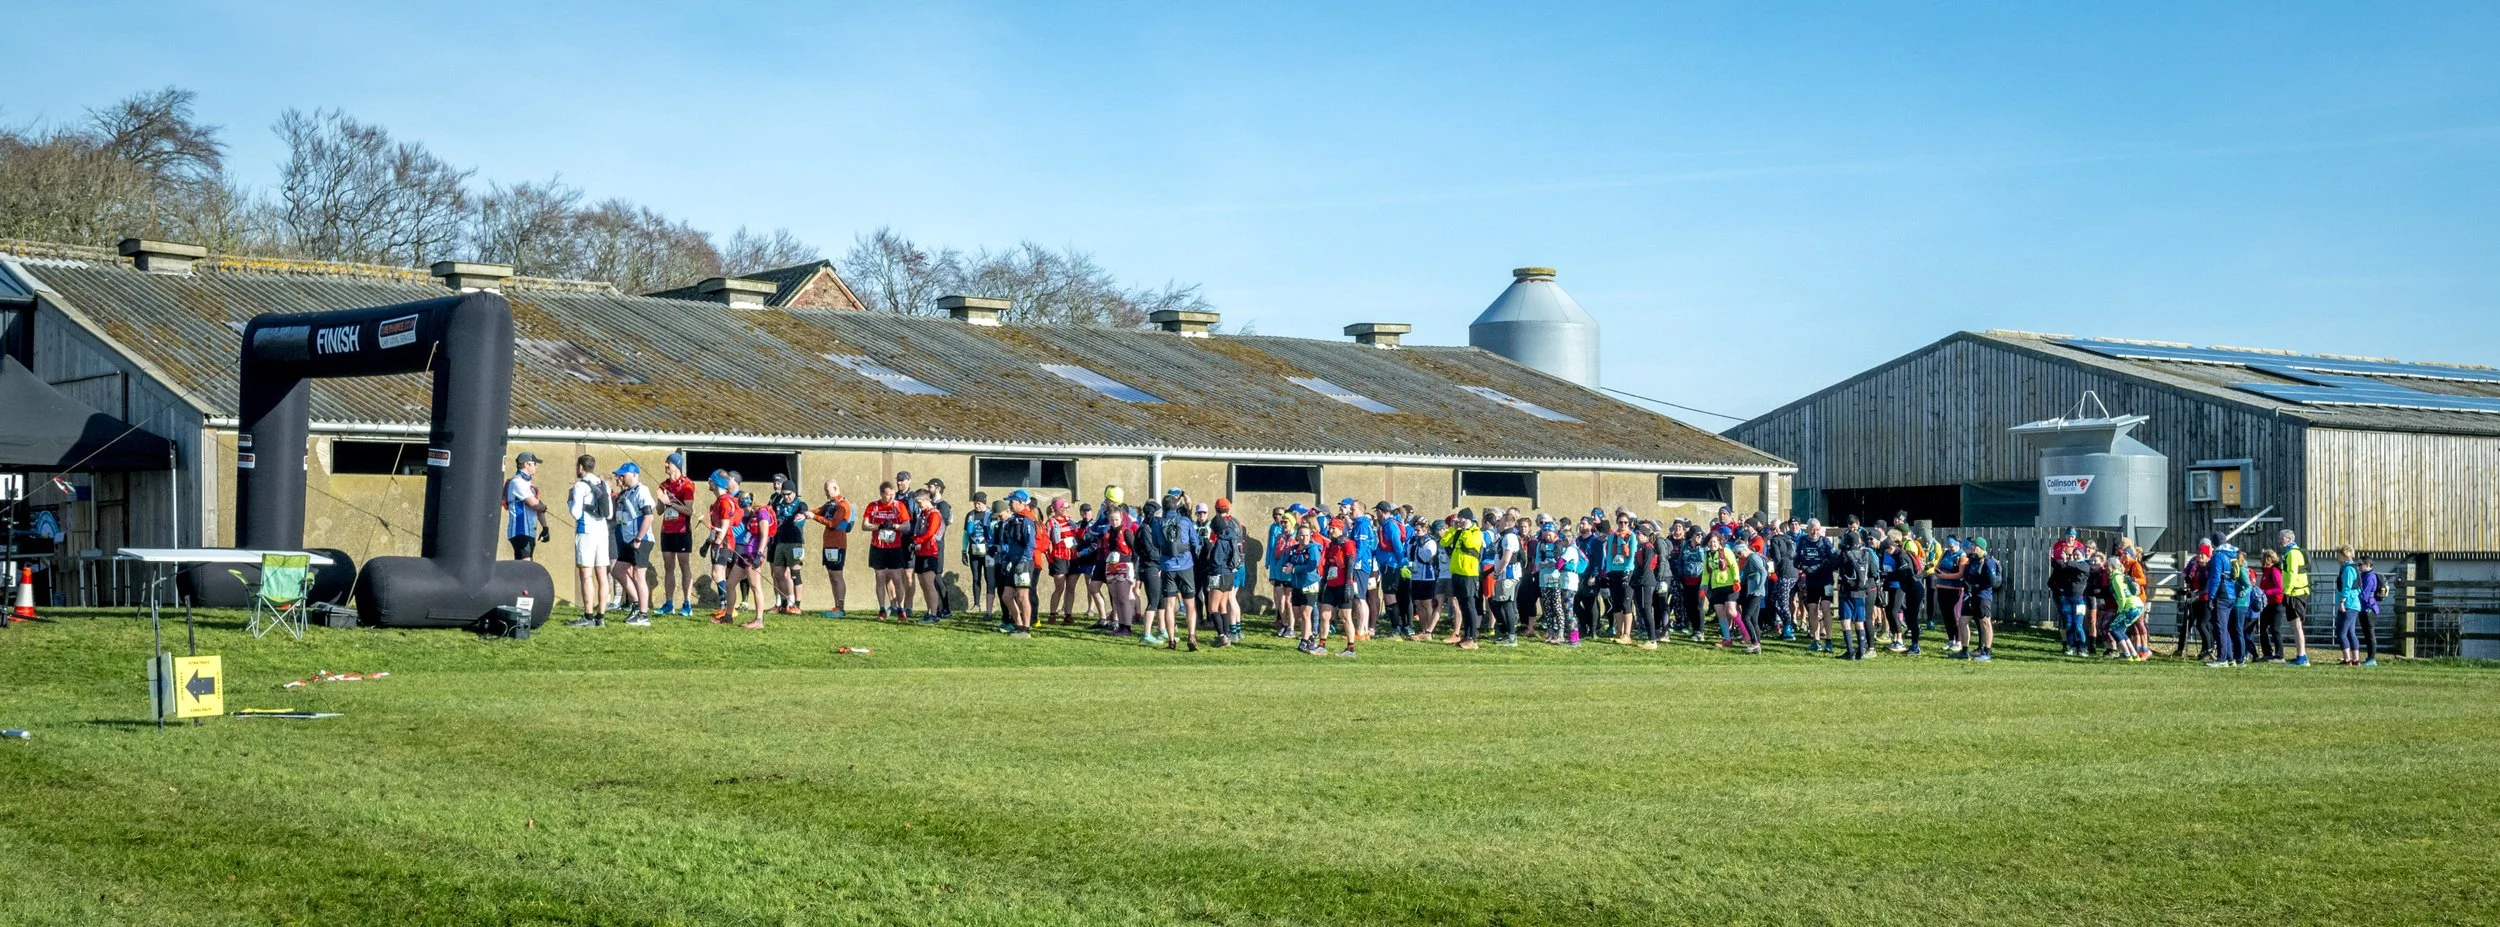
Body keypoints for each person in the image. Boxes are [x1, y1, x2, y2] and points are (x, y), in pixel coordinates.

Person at [565, 454, 614, 627]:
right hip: (602, 531)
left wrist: (569, 500)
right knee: (602, 575)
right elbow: (609, 514)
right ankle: (601, 617)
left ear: (580, 467)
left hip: (586, 531)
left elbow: (576, 514)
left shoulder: (580, 486)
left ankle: (588, 616)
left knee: (586, 575)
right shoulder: (604, 485)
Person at [609, 462, 656, 626]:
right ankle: (636, 603)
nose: (620, 477)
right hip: (629, 539)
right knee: (618, 570)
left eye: (623, 474)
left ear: (634, 475)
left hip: (640, 540)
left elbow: (649, 516)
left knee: (639, 575)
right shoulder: (627, 492)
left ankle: (643, 614)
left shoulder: (642, 491)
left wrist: (638, 538)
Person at [860, 482, 912, 621]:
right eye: (888, 495)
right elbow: (864, 525)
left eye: (892, 495)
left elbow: (907, 526)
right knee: (880, 577)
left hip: (894, 547)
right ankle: (882, 609)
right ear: (881, 493)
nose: (890, 497)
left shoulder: (898, 506)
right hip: (878, 547)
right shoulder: (873, 506)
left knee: (897, 578)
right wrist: (878, 526)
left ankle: (900, 608)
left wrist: (894, 525)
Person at [655, 453, 698, 616]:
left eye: (669, 463)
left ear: (676, 465)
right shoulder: (664, 485)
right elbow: (659, 511)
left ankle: (687, 604)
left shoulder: (687, 484)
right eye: (666, 463)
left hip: (682, 531)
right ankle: (669, 603)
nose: (666, 465)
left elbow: (688, 510)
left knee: (684, 565)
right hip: (667, 531)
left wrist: (670, 502)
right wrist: (660, 500)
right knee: (668, 566)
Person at [992, 493, 1039, 637]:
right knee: (1006, 596)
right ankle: (1017, 623)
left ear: (1020, 502)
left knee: (1022, 595)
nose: (1010, 505)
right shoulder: (1013, 520)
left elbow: (1030, 544)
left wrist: (1023, 561)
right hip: (1012, 561)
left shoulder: (1027, 520)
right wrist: (1007, 560)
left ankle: (1025, 629)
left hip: (1024, 563)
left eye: (1012, 502)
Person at [766, 475, 809, 616]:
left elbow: (802, 514)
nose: (786, 497)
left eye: (788, 495)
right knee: (778, 573)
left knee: (795, 573)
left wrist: (801, 515)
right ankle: (783, 604)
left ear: (794, 493)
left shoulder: (800, 504)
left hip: (795, 542)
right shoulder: (778, 502)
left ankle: (797, 605)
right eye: (784, 495)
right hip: (780, 542)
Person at [1205, 498, 1245, 646]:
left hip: (1219, 574)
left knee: (1212, 608)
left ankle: (1221, 635)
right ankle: (1227, 634)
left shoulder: (1220, 542)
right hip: (1230, 574)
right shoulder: (1231, 537)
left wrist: (1209, 556)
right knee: (1223, 606)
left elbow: (1216, 561)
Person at [1443, 510, 1486, 648]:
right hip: (1457, 572)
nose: (1459, 522)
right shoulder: (1459, 532)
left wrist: (1466, 528)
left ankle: (1472, 637)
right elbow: (1444, 542)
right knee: (1462, 605)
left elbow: (1469, 544)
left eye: (1461, 519)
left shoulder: (1476, 532)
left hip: (1469, 573)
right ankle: (1466, 635)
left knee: (1469, 604)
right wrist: (1452, 528)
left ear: (1467, 519)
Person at [811, 480, 853, 617]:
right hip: (828, 543)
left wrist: (814, 517)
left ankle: (841, 607)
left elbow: (833, 523)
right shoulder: (830, 503)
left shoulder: (842, 505)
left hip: (837, 544)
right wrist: (807, 512)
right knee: (831, 575)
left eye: (827, 491)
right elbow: (818, 510)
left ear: (835, 488)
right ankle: (836, 606)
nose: (825, 493)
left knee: (837, 575)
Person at [2205, 534, 2248, 667]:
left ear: (2213, 545)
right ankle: (2230, 658)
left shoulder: (2218, 556)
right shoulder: (2233, 554)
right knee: (2225, 628)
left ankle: (2221, 659)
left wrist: (2211, 596)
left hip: (2222, 594)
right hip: (2231, 595)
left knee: (2220, 628)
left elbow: (2215, 578)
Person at [704, 470, 743, 613]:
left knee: (717, 573)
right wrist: (708, 542)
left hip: (724, 542)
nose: (708, 482)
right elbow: (716, 525)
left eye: (710, 480)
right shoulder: (718, 501)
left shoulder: (725, 501)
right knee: (719, 574)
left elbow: (726, 524)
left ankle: (726, 608)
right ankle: (724, 607)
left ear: (715, 483)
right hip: (718, 541)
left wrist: (718, 542)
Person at [1796, 521, 1838, 652]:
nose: (1815, 532)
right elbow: (1796, 560)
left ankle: (1829, 640)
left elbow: (1835, 559)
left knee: (1825, 608)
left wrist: (1824, 565)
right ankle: (1816, 640)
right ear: (1807, 529)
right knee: (1812, 609)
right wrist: (1803, 567)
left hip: (1826, 580)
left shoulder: (1825, 542)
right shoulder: (1802, 541)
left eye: (1817, 529)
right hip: (1811, 580)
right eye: (1812, 529)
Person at [1835, 531, 1877, 660]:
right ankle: (1861, 652)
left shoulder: (1844, 554)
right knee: (1860, 622)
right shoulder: (1867, 554)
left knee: (1846, 622)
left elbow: (1835, 566)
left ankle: (1850, 651)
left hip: (1846, 591)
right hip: (1861, 592)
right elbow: (1874, 573)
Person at [909, 488, 947, 623]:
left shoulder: (934, 514)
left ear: (926, 500)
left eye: (919, 502)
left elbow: (931, 532)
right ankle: (929, 610)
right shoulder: (923, 514)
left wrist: (917, 541)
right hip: (920, 552)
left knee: (929, 583)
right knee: (923, 583)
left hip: (930, 552)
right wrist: (914, 540)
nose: (918, 505)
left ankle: (934, 614)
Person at [1405, 516, 1444, 642]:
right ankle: (1423, 629)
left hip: (1427, 576)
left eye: (1419, 531)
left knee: (1426, 603)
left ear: (1426, 531)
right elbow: (1409, 555)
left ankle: (1429, 630)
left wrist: (1420, 545)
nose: (1416, 533)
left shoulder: (1430, 542)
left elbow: (1425, 557)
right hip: (1415, 575)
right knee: (1418, 603)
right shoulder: (1414, 541)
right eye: (1415, 530)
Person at [1962, 537, 2000, 662]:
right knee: (1962, 621)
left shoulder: (1988, 562)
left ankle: (1987, 652)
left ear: (1981, 547)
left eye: (1975, 546)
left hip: (1983, 596)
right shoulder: (1973, 560)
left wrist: (1976, 586)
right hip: (1971, 595)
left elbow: (1992, 582)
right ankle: (1964, 651)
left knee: (1985, 623)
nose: (1972, 548)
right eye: (1972, 546)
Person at [2104, 551, 2148, 661]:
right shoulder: (2120, 575)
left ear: (2113, 566)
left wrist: (2121, 610)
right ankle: (2134, 655)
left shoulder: (2116, 578)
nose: (2106, 568)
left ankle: (2127, 655)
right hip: (2136, 605)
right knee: (2120, 630)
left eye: (2107, 566)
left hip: (2131, 606)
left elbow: (2121, 596)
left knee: (2114, 629)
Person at [1044, 498, 1081, 626]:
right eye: (1065, 507)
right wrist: (1050, 559)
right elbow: (1046, 542)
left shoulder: (1071, 522)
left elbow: (1077, 537)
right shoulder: (1051, 523)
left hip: (1073, 557)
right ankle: (1052, 614)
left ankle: (1068, 614)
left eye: (1068, 507)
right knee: (1059, 587)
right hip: (1059, 557)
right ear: (1058, 509)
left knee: (1071, 588)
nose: (1068, 510)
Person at [2279, 530, 2313, 666]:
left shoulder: (2292, 553)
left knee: (2297, 625)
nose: (2280, 540)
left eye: (2282, 538)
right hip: (2296, 591)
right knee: (2295, 625)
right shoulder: (2290, 552)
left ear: (2289, 539)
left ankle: (2301, 656)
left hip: (2295, 593)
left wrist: (2287, 591)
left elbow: (2292, 573)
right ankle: (2301, 655)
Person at [2050, 545, 2091, 657]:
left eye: (2078, 554)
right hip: (2067, 599)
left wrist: (2068, 561)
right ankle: (2072, 646)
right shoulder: (2069, 565)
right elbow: (2059, 566)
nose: (2076, 556)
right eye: (2074, 555)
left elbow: (2078, 566)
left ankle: (2082, 648)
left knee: (2078, 625)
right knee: (2069, 624)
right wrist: (2061, 560)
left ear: (2082, 555)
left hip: (2079, 600)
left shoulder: (2085, 565)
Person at [506, 451, 547, 561]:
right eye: (534, 464)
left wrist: (545, 527)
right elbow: (534, 504)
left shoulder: (528, 484)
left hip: (529, 530)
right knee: (525, 565)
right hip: (520, 529)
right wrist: (543, 506)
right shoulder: (517, 482)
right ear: (526, 465)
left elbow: (537, 506)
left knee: (525, 566)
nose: (536, 467)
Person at [962, 491, 995, 619]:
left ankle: (989, 608)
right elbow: (965, 534)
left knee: (989, 579)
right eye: (975, 503)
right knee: (976, 577)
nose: (977, 506)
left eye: (979, 503)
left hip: (988, 552)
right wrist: (963, 550)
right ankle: (976, 605)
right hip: (974, 551)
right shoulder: (970, 515)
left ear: (985, 503)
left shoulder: (991, 514)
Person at [1735, 530, 1768, 653]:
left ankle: (1755, 643)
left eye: (1739, 553)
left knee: (1746, 617)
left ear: (1744, 549)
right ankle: (1757, 644)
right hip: (1753, 591)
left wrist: (1759, 588)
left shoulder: (1753, 557)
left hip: (1756, 592)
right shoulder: (1750, 558)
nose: (1739, 556)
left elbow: (1763, 572)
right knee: (1754, 619)